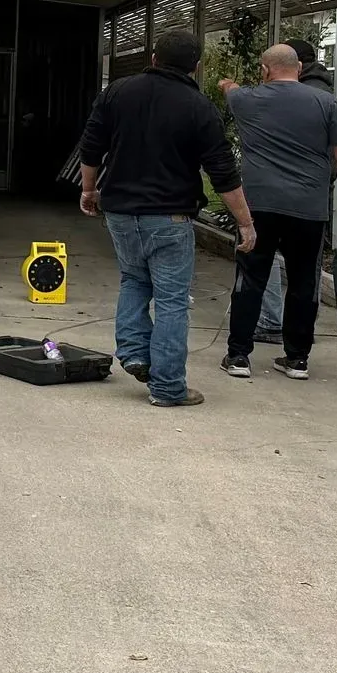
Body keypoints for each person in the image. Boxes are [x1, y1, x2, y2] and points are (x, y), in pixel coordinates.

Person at [79, 28, 256, 408]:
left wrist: (88, 190)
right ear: (195, 67)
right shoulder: (198, 107)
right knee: (172, 300)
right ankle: (168, 387)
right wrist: (244, 222)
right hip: (171, 218)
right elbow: (222, 171)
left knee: (133, 280)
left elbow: (92, 145)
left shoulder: (117, 93)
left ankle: (135, 353)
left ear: (155, 58)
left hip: (121, 212)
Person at [218, 44, 337, 380]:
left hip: (259, 208)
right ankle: (297, 359)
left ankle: (238, 356)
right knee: (303, 282)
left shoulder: (246, 100)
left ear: (265, 70)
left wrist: (229, 85)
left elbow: (229, 90)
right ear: (299, 68)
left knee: (251, 278)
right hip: (309, 210)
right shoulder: (327, 103)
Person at [252, 36, 337, 345]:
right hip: (312, 196)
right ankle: (298, 330)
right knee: (305, 269)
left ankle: (275, 323)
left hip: (281, 195)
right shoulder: (325, 94)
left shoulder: (299, 95)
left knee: (265, 258)